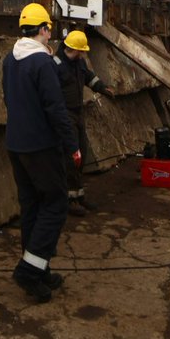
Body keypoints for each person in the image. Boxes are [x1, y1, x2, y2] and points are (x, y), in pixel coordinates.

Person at [2, 2, 80, 302]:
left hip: (16, 144)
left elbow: (8, 97)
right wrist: (72, 145)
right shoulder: (43, 63)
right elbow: (56, 109)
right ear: (44, 29)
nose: (51, 35)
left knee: (32, 206)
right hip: (41, 147)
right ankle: (29, 271)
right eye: (49, 30)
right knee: (56, 203)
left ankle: (39, 265)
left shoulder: (11, 59)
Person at [54, 29, 115, 215]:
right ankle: (69, 200)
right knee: (71, 157)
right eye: (81, 51)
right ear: (72, 49)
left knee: (82, 153)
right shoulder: (56, 65)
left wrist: (103, 88)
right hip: (65, 115)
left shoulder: (77, 62)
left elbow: (89, 77)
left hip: (77, 114)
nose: (83, 54)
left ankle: (79, 195)